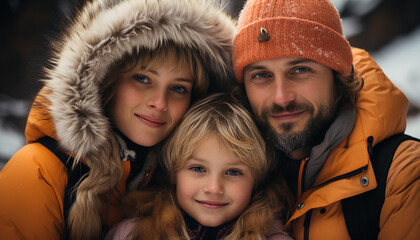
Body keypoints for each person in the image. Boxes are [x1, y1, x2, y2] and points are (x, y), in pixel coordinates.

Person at [0, 0, 236, 239]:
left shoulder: (183, 182)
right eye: (142, 79)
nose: (160, 103)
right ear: (105, 81)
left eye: (178, 89)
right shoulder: (36, 172)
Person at [232, 0, 420, 239]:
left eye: (300, 70)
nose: (281, 97)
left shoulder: (404, 174)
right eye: (261, 75)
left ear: (338, 75)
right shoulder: (226, 180)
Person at [105, 93, 293, 240]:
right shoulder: (131, 234)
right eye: (198, 169)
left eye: (234, 172)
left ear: (256, 180)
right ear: (173, 172)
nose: (214, 188)